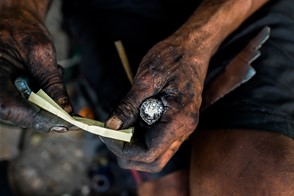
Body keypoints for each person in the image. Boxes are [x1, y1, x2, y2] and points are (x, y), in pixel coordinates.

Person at [1, 0, 294, 195]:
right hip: (116, 7)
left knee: (261, 176)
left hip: (243, 8)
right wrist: (18, 10)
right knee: (167, 186)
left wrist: (198, 42)